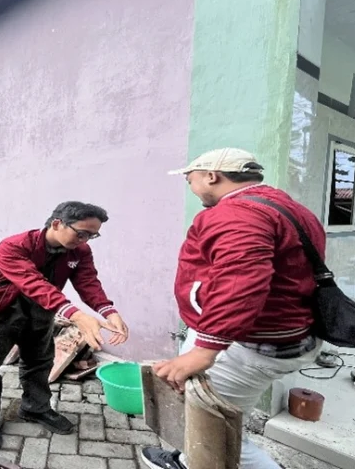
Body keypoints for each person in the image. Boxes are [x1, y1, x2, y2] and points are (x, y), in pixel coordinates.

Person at [139, 148, 324, 469]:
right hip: (282, 333)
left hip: (244, 343)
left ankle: (195, 462)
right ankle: (185, 460)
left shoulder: (237, 214)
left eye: (190, 179)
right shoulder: (291, 209)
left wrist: (205, 349)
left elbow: (241, 279)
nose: (190, 185)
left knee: (220, 435)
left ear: (211, 176)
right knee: (206, 417)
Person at [0, 201, 130, 450]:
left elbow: (88, 282)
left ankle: (35, 408)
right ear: (57, 223)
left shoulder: (80, 252)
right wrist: (77, 316)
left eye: (92, 235)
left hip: (42, 313)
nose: (85, 239)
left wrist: (108, 311)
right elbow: (34, 284)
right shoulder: (13, 246)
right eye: (81, 233)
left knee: (39, 362)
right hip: (1, 313)